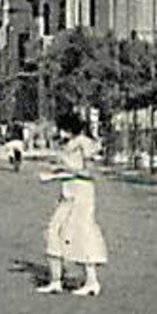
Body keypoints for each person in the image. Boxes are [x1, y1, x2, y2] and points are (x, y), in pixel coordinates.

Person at [36, 116, 108, 297]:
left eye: (62, 129)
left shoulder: (83, 143)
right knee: (54, 230)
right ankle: (56, 279)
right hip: (68, 192)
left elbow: (88, 172)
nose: (59, 133)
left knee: (81, 232)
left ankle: (91, 281)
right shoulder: (67, 144)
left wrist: (59, 175)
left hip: (81, 193)